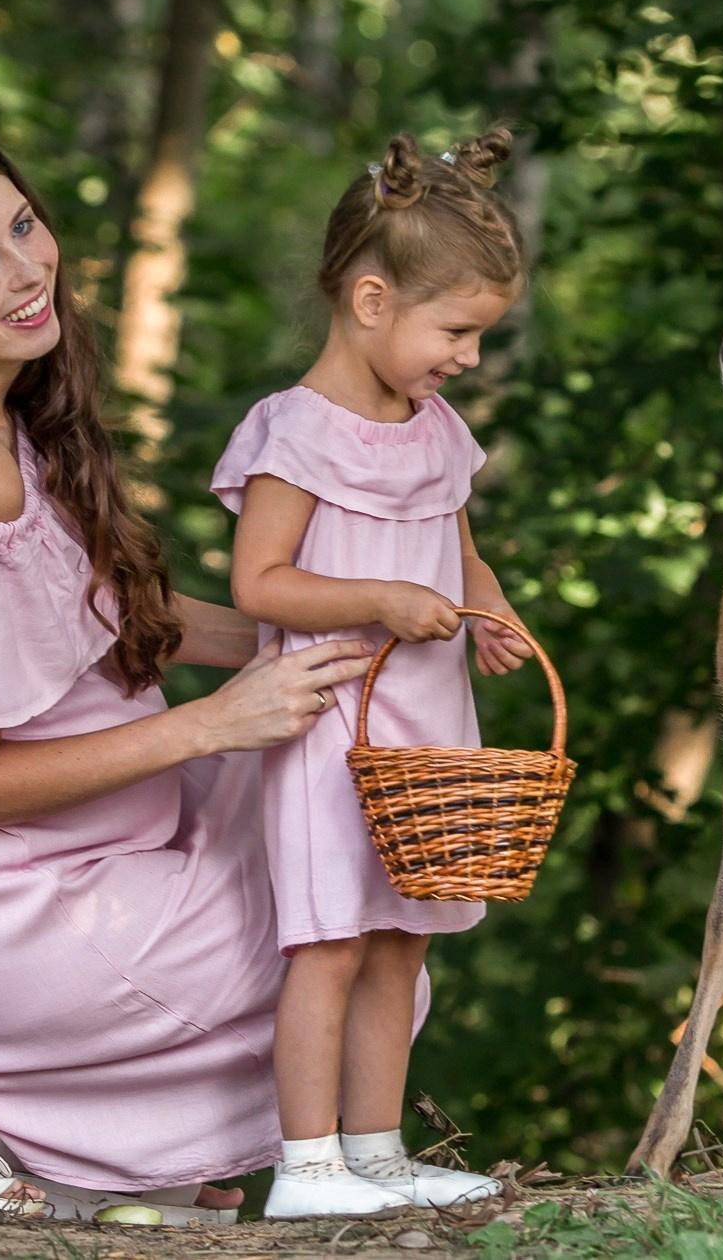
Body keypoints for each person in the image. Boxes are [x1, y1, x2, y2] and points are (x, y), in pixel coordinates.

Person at [0, 126, 375, 1223]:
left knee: (316, 829)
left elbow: (97, 618)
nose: (30, 270)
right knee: (333, 920)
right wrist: (212, 726)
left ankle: (24, 1131)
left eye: (24, 226)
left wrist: (326, 632)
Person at [212, 129, 530, 1219]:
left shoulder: (437, 433)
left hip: (426, 728)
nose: (468, 358)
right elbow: (261, 583)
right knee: (330, 941)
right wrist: (380, 602)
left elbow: (459, 546)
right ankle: (305, 1167)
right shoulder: (293, 433)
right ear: (371, 298)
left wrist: (483, 600)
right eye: (458, 331)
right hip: (328, 725)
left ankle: (378, 1152)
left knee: (401, 943)